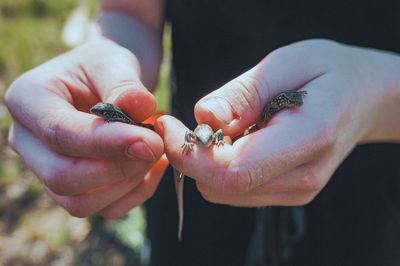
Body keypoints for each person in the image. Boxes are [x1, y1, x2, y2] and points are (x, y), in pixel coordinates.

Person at [5, 0, 400, 265]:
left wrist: (376, 97)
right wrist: (106, 60)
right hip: (199, 193)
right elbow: (127, 13)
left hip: (375, 202)